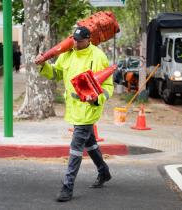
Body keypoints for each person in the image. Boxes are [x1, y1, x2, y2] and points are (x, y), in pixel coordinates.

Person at [35, 26, 113, 202]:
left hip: (89, 109)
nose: (75, 43)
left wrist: (97, 100)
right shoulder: (67, 54)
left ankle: (67, 187)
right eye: (74, 40)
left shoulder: (98, 56)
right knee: (90, 143)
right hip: (73, 108)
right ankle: (104, 171)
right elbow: (56, 73)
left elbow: (108, 86)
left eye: (79, 41)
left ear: (88, 40)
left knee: (76, 148)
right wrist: (44, 65)